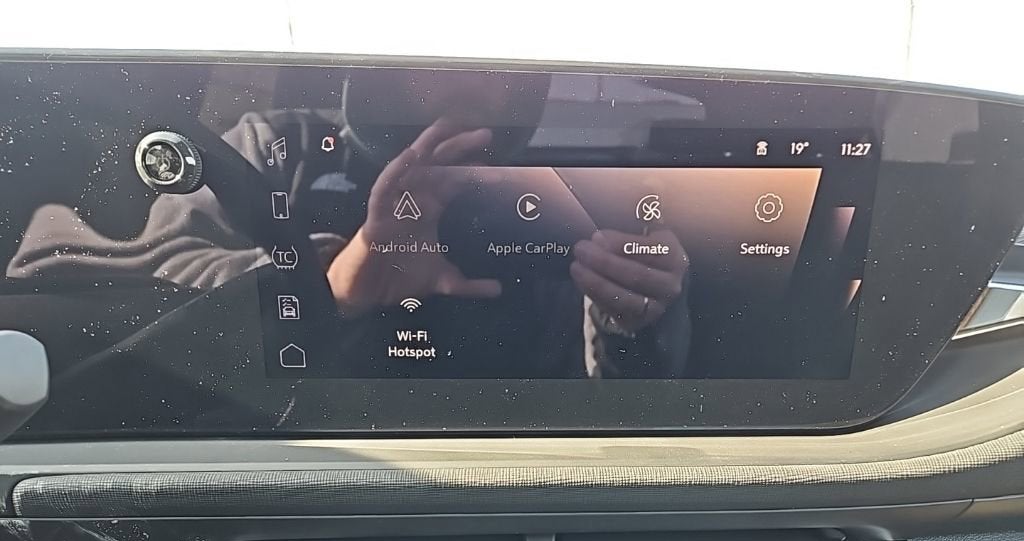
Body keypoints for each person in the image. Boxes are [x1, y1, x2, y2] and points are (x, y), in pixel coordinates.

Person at [8, 69, 691, 378]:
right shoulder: (277, 147)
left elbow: (598, 416)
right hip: (278, 466)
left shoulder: (560, 193)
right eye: (440, 51)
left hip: (498, 485)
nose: (473, 77)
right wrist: (331, 279)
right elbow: (132, 288)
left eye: (499, 62)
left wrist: (630, 321)